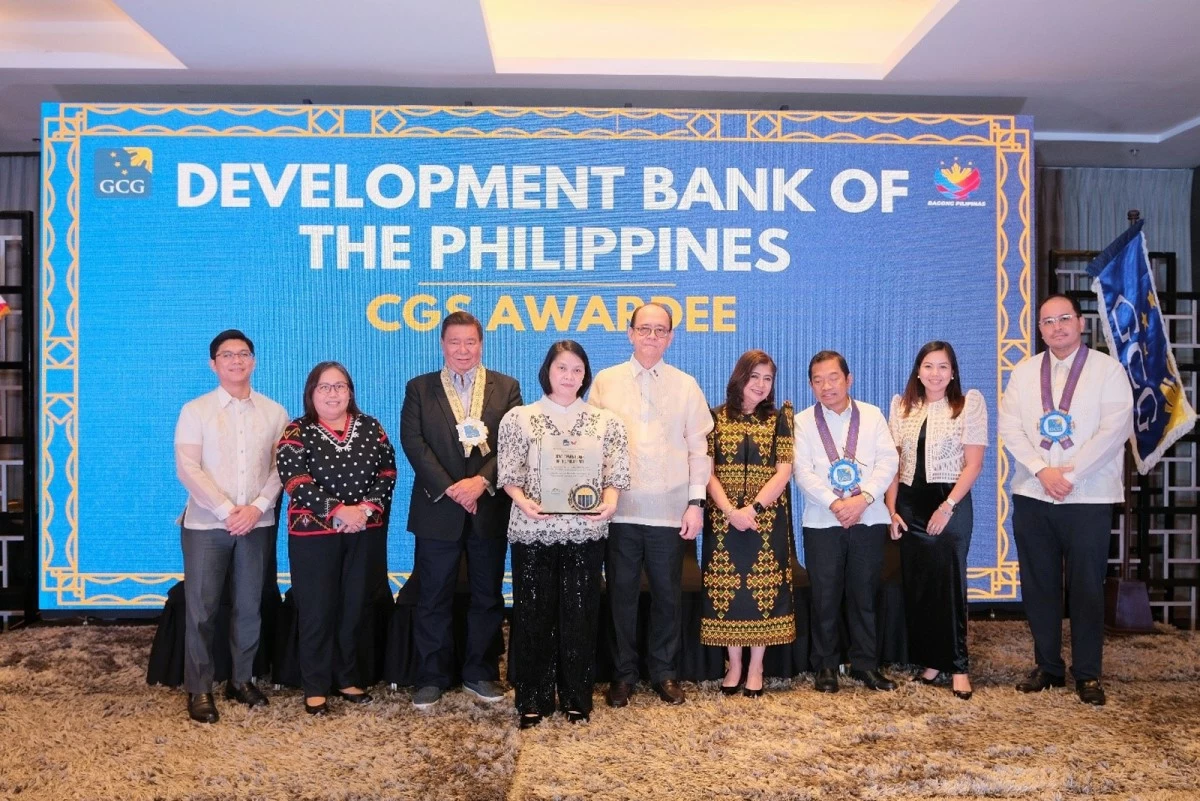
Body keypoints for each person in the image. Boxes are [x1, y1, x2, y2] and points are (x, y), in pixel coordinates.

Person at [998, 294, 1133, 706]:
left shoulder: (1108, 370)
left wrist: (1070, 475)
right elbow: (1010, 426)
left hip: (1088, 496)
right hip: (1034, 492)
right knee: (1039, 584)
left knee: (1087, 586)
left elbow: (1114, 430)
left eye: (1064, 319)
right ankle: (1048, 667)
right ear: (1039, 330)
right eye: (1048, 322)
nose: (1057, 327)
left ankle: (1088, 674)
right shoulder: (1024, 373)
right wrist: (1043, 471)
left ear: (1080, 323)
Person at [497, 341, 630, 728]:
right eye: (561, 368)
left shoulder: (606, 422)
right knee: (532, 614)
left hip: (585, 532)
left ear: (585, 375)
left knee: (580, 614)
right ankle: (532, 699)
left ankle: (576, 697)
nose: (569, 376)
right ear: (547, 371)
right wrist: (522, 501)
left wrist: (610, 502)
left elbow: (616, 473)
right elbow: (509, 473)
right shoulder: (520, 418)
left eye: (577, 369)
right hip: (533, 530)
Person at [590, 302, 713, 707]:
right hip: (619, 511)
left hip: (670, 511)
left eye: (661, 330)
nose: (652, 337)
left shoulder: (686, 385)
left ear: (671, 337)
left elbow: (699, 451)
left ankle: (664, 672)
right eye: (644, 329)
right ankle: (622, 675)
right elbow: (591, 445)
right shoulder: (606, 382)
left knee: (667, 596)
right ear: (630, 333)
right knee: (621, 596)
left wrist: (696, 503)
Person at [400, 311, 523, 709]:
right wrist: (452, 488)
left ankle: (480, 672)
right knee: (432, 595)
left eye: (470, 342)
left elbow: (514, 443)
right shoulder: (420, 388)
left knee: (487, 595)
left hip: (488, 508)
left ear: (481, 344)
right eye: (455, 342)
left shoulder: (507, 387)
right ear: (442, 344)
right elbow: (413, 442)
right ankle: (431, 676)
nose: (463, 350)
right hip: (438, 508)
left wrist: (480, 483)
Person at [174, 329, 289, 724]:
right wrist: (227, 510)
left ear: (253, 361)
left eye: (243, 354)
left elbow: (281, 469)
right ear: (213, 364)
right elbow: (187, 468)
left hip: (258, 523)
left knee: (249, 606)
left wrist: (256, 508)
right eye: (227, 355)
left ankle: (241, 680)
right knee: (202, 609)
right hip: (206, 525)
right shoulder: (196, 410)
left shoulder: (275, 412)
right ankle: (199, 687)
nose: (236, 361)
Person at [275, 361, 396, 715]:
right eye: (324, 387)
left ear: (350, 392)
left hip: (364, 532)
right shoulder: (296, 431)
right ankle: (315, 685)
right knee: (317, 609)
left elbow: (388, 472)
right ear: (311, 393)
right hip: (313, 537)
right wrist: (339, 510)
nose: (333, 393)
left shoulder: (371, 427)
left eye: (340, 386)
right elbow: (294, 480)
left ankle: (347, 677)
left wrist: (365, 511)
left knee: (354, 607)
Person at [885, 341, 987, 701]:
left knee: (950, 584)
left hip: (949, 501)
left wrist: (948, 506)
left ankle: (958, 666)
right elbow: (894, 465)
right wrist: (891, 510)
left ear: (953, 372)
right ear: (918, 371)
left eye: (943, 366)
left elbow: (974, 464)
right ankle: (932, 660)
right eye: (928, 366)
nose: (935, 373)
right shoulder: (902, 407)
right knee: (921, 585)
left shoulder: (968, 404)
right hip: (909, 505)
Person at [794, 350, 899, 693]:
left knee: (864, 593)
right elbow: (802, 472)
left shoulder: (872, 415)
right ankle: (825, 666)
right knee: (824, 596)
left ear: (848, 379)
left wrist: (863, 498)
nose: (826, 386)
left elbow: (888, 461)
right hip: (822, 521)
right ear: (811, 385)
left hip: (869, 518)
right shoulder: (802, 422)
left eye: (833, 378)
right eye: (818, 380)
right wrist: (836, 503)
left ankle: (866, 664)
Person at [700, 350, 795, 698]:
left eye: (767, 378)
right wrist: (730, 511)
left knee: (762, 592)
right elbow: (706, 471)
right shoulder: (713, 418)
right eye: (754, 376)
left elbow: (784, 471)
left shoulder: (780, 419)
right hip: (723, 520)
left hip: (766, 521)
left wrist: (752, 509)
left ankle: (756, 666)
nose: (761, 384)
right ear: (739, 377)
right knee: (729, 593)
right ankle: (734, 665)